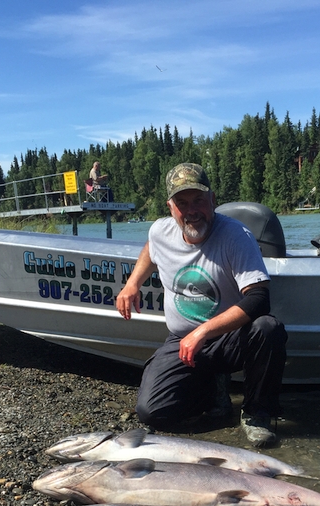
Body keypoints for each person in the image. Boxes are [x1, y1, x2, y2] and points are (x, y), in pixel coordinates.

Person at [115, 162, 287, 447]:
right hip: (182, 340)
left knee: (268, 328)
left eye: (198, 200)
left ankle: (257, 412)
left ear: (213, 200)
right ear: (170, 207)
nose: (191, 210)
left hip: (230, 337)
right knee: (152, 412)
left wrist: (204, 331)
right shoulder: (161, 230)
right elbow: (151, 248)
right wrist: (133, 283)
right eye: (182, 203)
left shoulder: (236, 236)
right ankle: (212, 390)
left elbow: (259, 299)